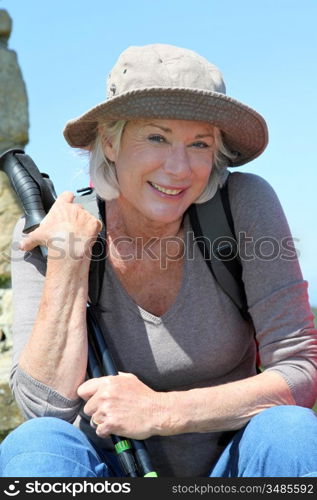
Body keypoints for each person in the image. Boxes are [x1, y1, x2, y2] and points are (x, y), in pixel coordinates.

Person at [1, 43, 317, 478]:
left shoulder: (243, 204)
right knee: (34, 446)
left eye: (199, 144)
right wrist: (68, 263)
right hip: (107, 472)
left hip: (232, 470)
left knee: (291, 432)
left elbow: (299, 371)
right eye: (156, 137)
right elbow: (45, 409)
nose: (178, 168)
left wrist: (162, 411)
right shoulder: (51, 233)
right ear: (110, 142)